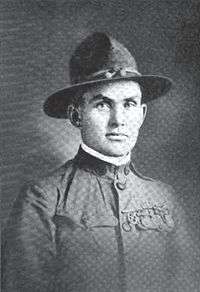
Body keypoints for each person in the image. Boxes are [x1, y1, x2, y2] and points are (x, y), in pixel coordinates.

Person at [2, 32, 199, 292]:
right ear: (76, 115)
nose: (118, 120)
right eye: (103, 105)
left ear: (141, 114)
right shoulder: (43, 198)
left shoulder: (164, 198)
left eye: (129, 104)